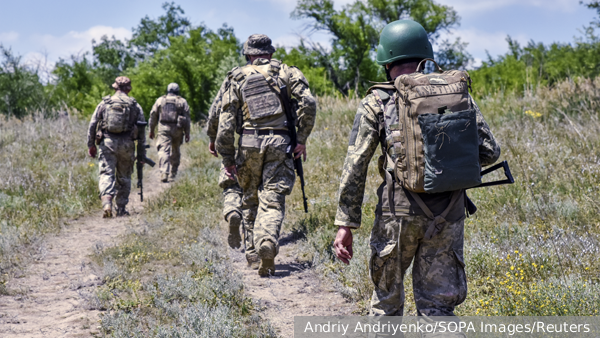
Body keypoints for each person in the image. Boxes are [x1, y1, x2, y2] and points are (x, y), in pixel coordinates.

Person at [332, 20, 501, 320]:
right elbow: (489, 151)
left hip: (396, 217)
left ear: (387, 61)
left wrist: (346, 224)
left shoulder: (377, 101)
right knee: (439, 309)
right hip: (448, 214)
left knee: (386, 305)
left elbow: (355, 165)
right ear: (425, 52)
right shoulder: (456, 94)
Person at [215, 34, 316, 277]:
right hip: (281, 142)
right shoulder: (288, 72)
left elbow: (225, 121)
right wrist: (301, 139)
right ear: (269, 53)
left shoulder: (236, 77)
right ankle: (267, 242)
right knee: (272, 199)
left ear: (249, 55)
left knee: (249, 198)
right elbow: (309, 103)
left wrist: (228, 159)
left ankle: (251, 254)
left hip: (249, 141)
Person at [87, 76, 147, 218]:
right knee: (124, 176)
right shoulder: (134, 105)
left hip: (107, 143)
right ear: (128, 88)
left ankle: (107, 203)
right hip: (127, 144)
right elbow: (142, 130)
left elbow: (93, 124)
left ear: (115, 87)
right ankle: (121, 208)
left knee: (107, 173)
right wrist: (141, 153)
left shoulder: (104, 103)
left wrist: (91, 145)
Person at [207, 74, 245, 251]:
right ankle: (258, 241)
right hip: (274, 142)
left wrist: (212, 137)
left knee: (231, 184)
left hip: (239, 141)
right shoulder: (279, 74)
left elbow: (216, 110)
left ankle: (233, 212)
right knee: (262, 191)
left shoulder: (235, 78)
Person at [149, 83, 191, 183]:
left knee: (164, 150)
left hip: (163, 128)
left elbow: (153, 115)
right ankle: (173, 173)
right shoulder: (182, 101)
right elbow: (187, 118)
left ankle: (164, 172)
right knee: (175, 150)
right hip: (178, 129)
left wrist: (151, 130)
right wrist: (187, 133)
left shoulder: (160, 100)